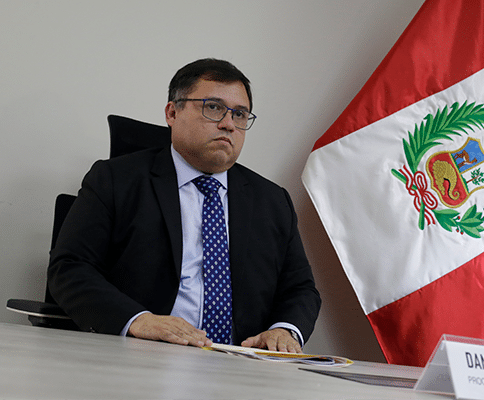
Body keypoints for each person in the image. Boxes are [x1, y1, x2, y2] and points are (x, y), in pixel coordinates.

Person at [47, 58, 321, 353]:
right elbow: (69, 268)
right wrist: (138, 321)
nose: (228, 124)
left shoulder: (272, 201)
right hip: (142, 355)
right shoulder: (116, 180)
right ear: (172, 112)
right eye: (213, 107)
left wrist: (284, 329)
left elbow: (300, 288)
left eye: (239, 114)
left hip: (239, 360)